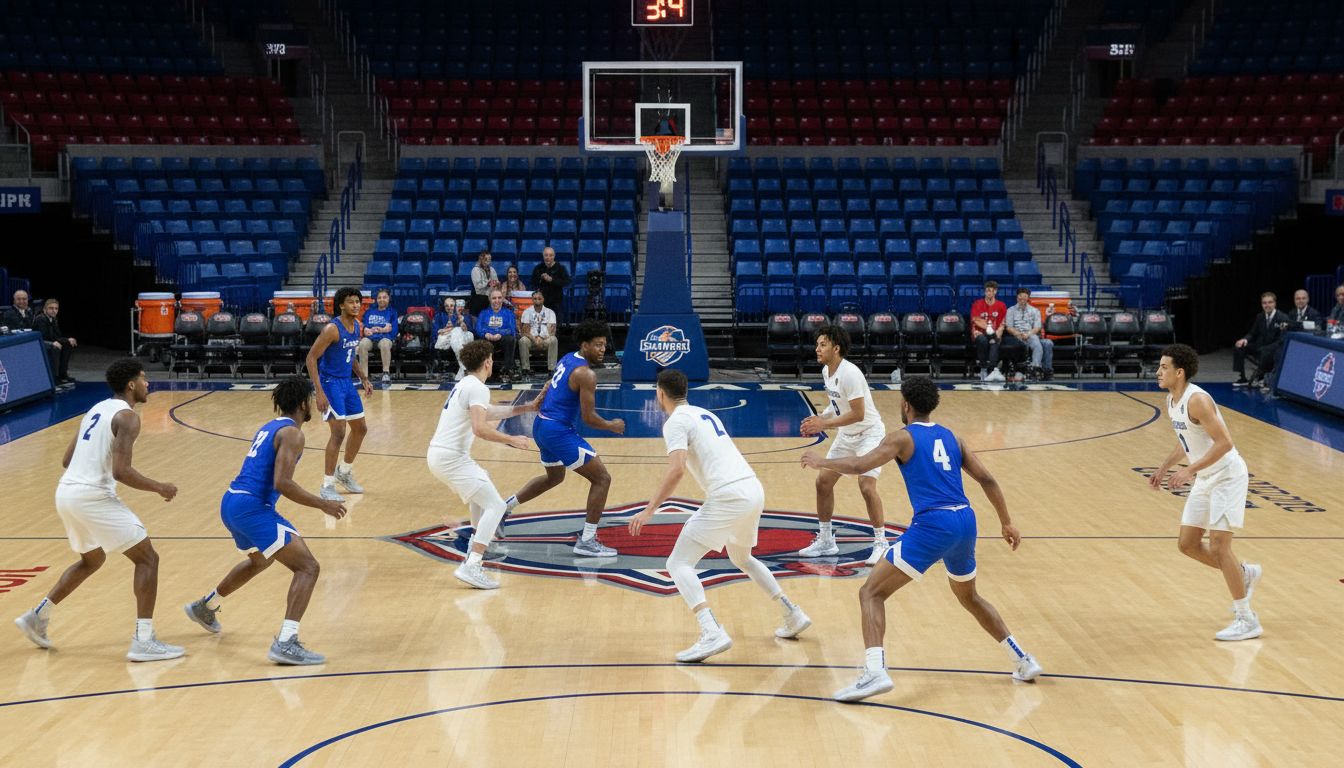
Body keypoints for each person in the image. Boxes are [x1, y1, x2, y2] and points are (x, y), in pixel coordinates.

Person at [800, 375, 1042, 702]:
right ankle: (1023, 660)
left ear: (906, 405)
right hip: (965, 521)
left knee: (871, 593)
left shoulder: (902, 438)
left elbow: (860, 464)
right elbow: (987, 479)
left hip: (934, 525)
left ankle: (874, 672)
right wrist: (1006, 522)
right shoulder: (952, 437)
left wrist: (821, 461)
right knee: (970, 597)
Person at [627, 369, 811, 661]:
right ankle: (792, 612)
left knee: (678, 563)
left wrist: (649, 510)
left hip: (729, 496)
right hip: (752, 489)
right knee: (742, 558)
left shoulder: (675, 422)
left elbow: (676, 469)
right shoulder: (704, 413)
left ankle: (711, 631)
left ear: (660, 394)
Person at [13, 359, 183, 661]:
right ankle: (144, 640)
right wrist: (160, 487)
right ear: (131, 385)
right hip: (92, 496)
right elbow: (121, 471)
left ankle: (37, 615)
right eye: (143, 379)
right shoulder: (128, 418)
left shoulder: (96, 409)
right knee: (148, 559)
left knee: (92, 559)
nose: (148, 384)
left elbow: (67, 460)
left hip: (66, 493)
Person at [183, 377, 348, 665]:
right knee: (308, 567)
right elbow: (282, 483)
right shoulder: (293, 434)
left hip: (231, 502)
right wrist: (323, 504)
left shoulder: (269, 427)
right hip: (252, 507)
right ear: (303, 403)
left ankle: (205, 606)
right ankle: (286, 642)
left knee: (260, 560)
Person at [1152, 344, 1262, 641]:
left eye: (1163, 367)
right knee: (1187, 544)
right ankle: (1243, 573)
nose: (1158, 372)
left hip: (1227, 476)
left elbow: (1225, 443)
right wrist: (1164, 468)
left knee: (1219, 547)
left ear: (1179, 372)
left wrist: (1188, 470)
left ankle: (1246, 618)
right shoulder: (1171, 400)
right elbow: (1186, 441)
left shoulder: (1197, 400)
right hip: (1205, 477)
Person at [504, 319, 626, 556]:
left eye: (604, 345)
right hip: (557, 430)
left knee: (555, 477)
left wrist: (543, 393)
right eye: (598, 345)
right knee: (602, 479)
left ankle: (504, 508)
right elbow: (589, 418)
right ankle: (587, 541)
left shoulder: (568, 358)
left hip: (541, 425)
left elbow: (551, 382)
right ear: (585, 345)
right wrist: (611, 425)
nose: (602, 349)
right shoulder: (586, 374)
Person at [426, 340, 539, 589]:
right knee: (496, 506)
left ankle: (476, 547)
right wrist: (511, 439)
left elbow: (488, 413)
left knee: (482, 490)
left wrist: (527, 407)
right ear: (487, 362)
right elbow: (480, 428)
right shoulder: (477, 387)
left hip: (443, 456)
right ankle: (472, 564)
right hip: (450, 458)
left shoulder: (466, 383)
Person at [797, 325, 889, 565]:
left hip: (869, 434)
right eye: (817, 344)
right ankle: (826, 540)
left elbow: (858, 413)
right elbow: (837, 405)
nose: (817, 349)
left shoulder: (851, 374)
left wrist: (824, 425)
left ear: (836, 348)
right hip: (847, 435)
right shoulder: (827, 371)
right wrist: (820, 418)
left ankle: (881, 542)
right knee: (823, 482)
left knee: (866, 486)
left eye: (823, 345)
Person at [305, 287, 373, 502]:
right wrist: (318, 392)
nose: (356, 305)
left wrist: (363, 378)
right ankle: (327, 485)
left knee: (360, 429)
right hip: (330, 383)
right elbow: (311, 358)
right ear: (341, 305)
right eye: (351, 302)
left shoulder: (357, 326)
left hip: (347, 383)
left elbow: (349, 355)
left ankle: (343, 472)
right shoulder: (331, 329)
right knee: (338, 433)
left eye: (358, 302)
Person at [1233, 292, 1289, 388]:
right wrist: (1245, 339)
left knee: (1264, 351)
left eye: (1270, 302)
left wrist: (1268, 348)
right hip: (1261, 346)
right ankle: (1242, 377)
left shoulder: (1283, 317)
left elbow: (1282, 340)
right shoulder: (1260, 316)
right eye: (1264, 303)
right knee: (1239, 347)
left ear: (1275, 303)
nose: (1267, 305)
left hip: (1274, 349)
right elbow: (1253, 333)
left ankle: (1260, 377)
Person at [1001, 288, 1054, 380]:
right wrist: (1018, 334)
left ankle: (1041, 370)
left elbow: (1037, 327)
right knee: (1037, 341)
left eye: (1025, 296)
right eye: (1020, 296)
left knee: (1044, 342)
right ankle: (1035, 369)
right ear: (1017, 297)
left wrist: (1028, 334)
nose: (1022, 298)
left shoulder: (1035, 311)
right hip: (1016, 337)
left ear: (1028, 298)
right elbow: (1009, 327)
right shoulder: (1010, 310)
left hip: (1031, 335)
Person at [474, 289, 519, 381]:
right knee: (480, 341)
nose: (497, 301)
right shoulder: (483, 313)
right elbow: (478, 328)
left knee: (511, 339)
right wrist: (486, 334)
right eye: (494, 298)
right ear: (490, 299)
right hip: (487, 338)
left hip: (502, 339)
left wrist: (500, 334)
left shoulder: (508, 313)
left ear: (502, 299)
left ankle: (508, 369)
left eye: (499, 298)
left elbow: (512, 330)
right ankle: (483, 370)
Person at [358, 288, 398, 385]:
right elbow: (364, 326)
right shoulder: (369, 312)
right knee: (362, 344)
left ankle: (386, 373)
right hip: (371, 338)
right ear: (376, 299)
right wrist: (365, 330)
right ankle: (364, 376)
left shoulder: (392, 312)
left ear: (389, 299)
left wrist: (382, 330)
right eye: (379, 297)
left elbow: (394, 330)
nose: (381, 299)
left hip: (385, 338)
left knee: (385, 343)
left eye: (384, 297)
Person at [33, 298, 77, 386]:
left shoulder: (54, 319)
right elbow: (46, 337)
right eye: (51, 308)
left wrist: (68, 340)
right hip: (40, 343)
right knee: (55, 347)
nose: (54, 311)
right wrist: (56, 342)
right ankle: (54, 377)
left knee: (68, 344)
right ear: (44, 309)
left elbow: (57, 336)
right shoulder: (41, 319)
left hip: (49, 341)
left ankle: (62, 375)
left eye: (56, 308)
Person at [969, 281, 1007, 382]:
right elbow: (976, 320)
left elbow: (1002, 323)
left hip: (994, 332)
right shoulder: (977, 304)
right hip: (980, 331)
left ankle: (992, 370)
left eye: (990, 291)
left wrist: (997, 334)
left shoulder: (1001, 305)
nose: (988, 293)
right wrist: (989, 329)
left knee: (994, 341)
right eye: (987, 291)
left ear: (995, 291)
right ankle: (983, 368)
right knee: (983, 340)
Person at [433, 296, 474, 381]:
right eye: (446, 306)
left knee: (456, 331)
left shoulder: (464, 315)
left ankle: (463, 369)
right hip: (444, 341)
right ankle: (465, 369)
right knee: (455, 332)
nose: (449, 308)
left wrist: (458, 321)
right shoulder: (439, 316)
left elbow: (469, 329)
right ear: (444, 307)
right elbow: (436, 331)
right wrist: (447, 330)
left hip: (460, 338)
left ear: (455, 306)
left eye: (451, 305)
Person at [519, 289, 559, 376]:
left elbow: (552, 331)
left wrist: (541, 338)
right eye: (535, 298)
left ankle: (552, 369)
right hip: (531, 339)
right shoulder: (527, 312)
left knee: (553, 339)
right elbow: (525, 331)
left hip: (545, 339)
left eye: (539, 298)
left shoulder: (550, 312)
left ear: (543, 299)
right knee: (523, 340)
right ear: (532, 300)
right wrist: (534, 339)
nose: (537, 300)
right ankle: (525, 369)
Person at [531, 246, 571, 319]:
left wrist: (552, 280)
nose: (548, 257)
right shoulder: (538, 268)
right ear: (543, 256)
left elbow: (567, 282)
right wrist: (541, 278)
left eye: (551, 255)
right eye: (546, 255)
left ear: (554, 256)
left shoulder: (561, 268)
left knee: (556, 324)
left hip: (556, 303)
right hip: (541, 302)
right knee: (541, 324)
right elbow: (533, 282)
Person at [470, 250, 500, 315]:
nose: (488, 262)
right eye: (486, 259)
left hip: (490, 296)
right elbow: (478, 287)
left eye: (489, 260)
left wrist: (497, 283)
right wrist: (488, 283)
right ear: (480, 259)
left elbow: (496, 281)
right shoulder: (475, 270)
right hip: (479, 297)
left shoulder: (492, 269)